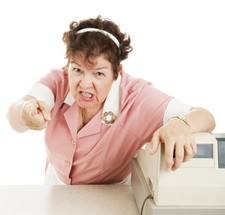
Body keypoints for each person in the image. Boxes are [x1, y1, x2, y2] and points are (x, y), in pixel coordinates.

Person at [7, 16, 215, 185]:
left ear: (117, 72)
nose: (85, 84)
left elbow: (205, 117)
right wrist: (24, 111)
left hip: (110, 198)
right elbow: (16, 115)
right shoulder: (58, 80)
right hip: (55, 187)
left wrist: (181, 123)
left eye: (98, 74)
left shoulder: (138, 98)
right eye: (77, 70)